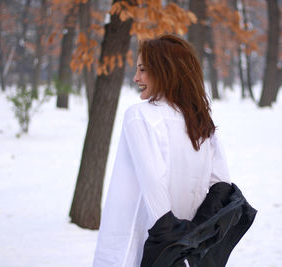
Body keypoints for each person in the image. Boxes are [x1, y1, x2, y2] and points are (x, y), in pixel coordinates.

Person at [93, 34, 255, 267]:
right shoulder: (200, 121)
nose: (136, 77)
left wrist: (169, 234)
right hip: (183, 252)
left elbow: (152, 180)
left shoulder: (140, 116)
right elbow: (221, 184)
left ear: (165, 72)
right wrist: (193, 237)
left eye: (143, 70)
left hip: (139, 245)